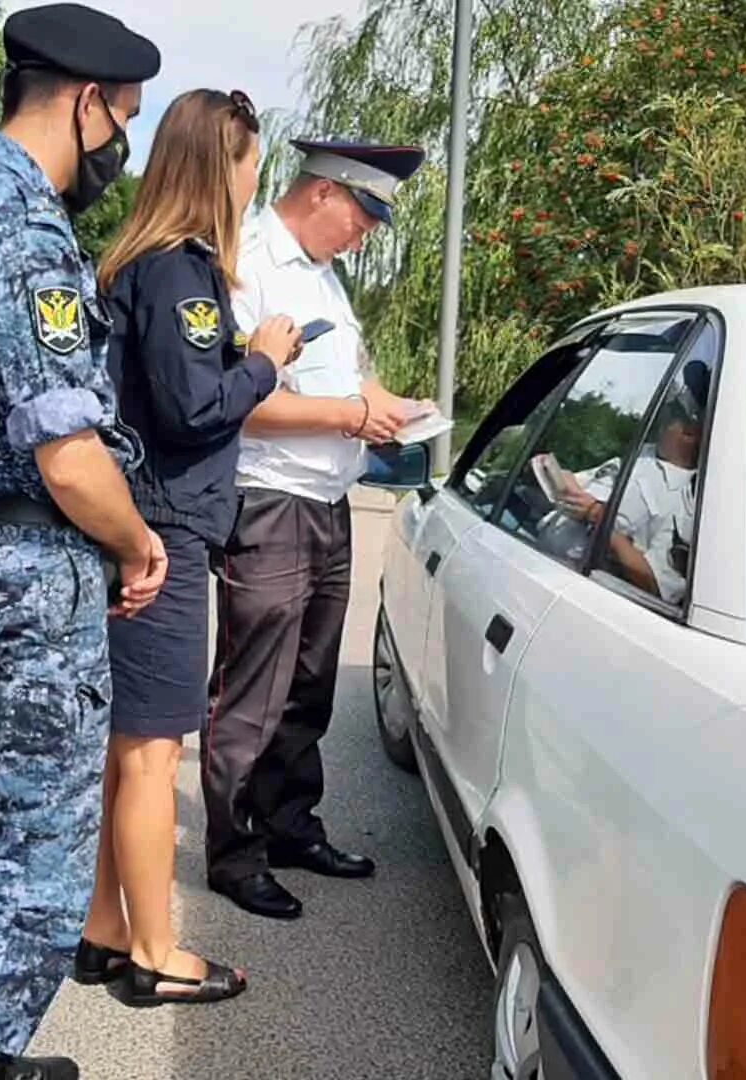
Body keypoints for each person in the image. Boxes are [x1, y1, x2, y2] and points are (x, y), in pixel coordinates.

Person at [0, 6, 165, 1078]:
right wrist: (139, 542)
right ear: (87, 101)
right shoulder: (22, 231)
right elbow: (67, 453)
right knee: (35, 835)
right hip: (35, 559)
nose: (121, 150)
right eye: (124, 122)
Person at [73, 89, 302, 1007]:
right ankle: (156, 954)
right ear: (225, 168)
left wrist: (234, 356)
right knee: (151, 753)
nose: (256, 184)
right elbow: (191, 408)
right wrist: (266, 360)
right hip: (160, 535)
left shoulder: (151, 266)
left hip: (151, 521)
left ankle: (103, 930)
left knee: (130, 748)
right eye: (252, 165)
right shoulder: (179, 270)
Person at [203, 138, 429, 921]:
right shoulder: (247, 266)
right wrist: (349, 415)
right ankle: (233, 855)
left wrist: (390, 409)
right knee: (250, 692)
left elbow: (350, 376)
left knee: (308, 687)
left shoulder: (326, 281)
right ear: (324, 194)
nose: (364, 235)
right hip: (269, 503)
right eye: (363, 217)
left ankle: (290, 825)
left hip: (329, 501)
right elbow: (241, 399)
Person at [554, 359, 711, 604]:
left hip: (574, 590)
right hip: (543, 546)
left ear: (690, 433)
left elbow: (655, 585)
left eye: (671, 414)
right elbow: (581, 480)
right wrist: (554, 474)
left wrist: (598, 516)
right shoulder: (641, 454)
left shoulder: (688, 505)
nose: (661, 419)